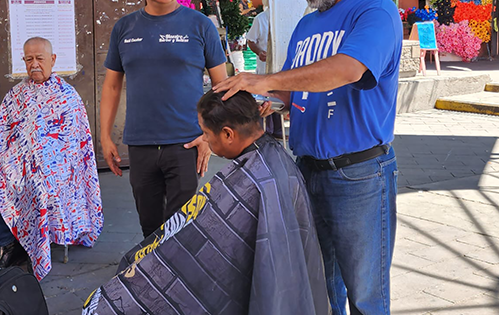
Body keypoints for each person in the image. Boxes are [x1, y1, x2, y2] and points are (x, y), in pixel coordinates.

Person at [214, 0, 401, 315]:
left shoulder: (375, 12)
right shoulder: (306, 24)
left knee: (366, 295)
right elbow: (294, 89)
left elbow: (347, 70)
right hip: (306, 171)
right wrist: (262, 97)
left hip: (359, 175)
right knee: (318, 288)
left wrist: (268, 77)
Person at [84, 90, 329, 315]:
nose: (205, 140)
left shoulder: (256, 180)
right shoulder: (273, 162)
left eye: (206, 134)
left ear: (228, 134)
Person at [99, 0, 227, 238]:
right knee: (150, 228)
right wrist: (105, 136)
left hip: (185, 144)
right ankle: (150, 282)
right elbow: (112, 85)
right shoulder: (124, 28)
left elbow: (222, 86)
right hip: (141, 144)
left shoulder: (199, 26)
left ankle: (181, 284)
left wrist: (209, 136)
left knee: (180, 229)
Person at [0, 36, 103, 281]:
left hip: (57, 176)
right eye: (29, 59)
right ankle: (12, 245)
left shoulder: (67, 97)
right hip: (17, 171)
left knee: (37, 190)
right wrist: (11, 165)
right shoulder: (16, 95)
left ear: (53, 59)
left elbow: (75, 148)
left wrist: (42, 169)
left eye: (39, 58)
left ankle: (32, 248)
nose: (34, 64)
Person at [245, 0, 283, 138]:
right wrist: (260, 52)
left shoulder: (284, 18)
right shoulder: (260, 19)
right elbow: (251, 40)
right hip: (264, 68)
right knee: (266, 99)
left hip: (281, 68)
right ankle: (264, 131)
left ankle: (277, 130)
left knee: (279, 98)